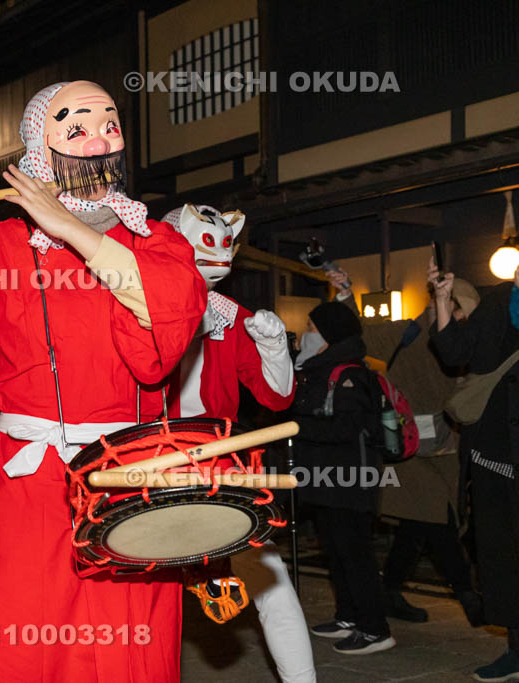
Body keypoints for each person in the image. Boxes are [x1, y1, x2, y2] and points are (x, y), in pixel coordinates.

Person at [0, 81, 206, 681]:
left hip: (130, 478)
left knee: (129, 646)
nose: (98, 141)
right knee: (16, 637)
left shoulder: (156, 240)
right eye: (76, 128)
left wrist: (71, 228)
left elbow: (164, 327)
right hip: (30, 481)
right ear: (40, 148)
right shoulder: (5, 247)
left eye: (110, 125)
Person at [142, 205, 315, 683]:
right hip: (148, 462)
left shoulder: (232, 316)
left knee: (269, 579)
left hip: (219, 462)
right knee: (145, 589)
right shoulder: (137, 302)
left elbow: (277, 397)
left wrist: (274, 348)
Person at [328, 263, 483, 627]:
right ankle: (468, 595)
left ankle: (390, 590)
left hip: (446, 448)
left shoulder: (466, 342)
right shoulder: (409, 333)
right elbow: (359, 332)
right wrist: (346, 293)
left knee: (419, 522)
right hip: (406, 446)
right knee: (438, 518)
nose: (463, 319)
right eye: (461, 309)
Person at [429, 263, 519, 681]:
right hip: (495, 453)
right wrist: (442, 299)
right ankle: (516, 651)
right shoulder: (499, 301)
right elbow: (454, 352)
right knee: (503, 555)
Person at [292, 302, 394, 654]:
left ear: (328, 335)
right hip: (325, 478)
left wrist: (297, 426)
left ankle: (375, 629)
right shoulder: (321, 370)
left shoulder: (350, 374)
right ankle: (348, 616)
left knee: (355, 553)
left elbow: (346, 428)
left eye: (311, 327)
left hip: (348, 480)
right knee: (336, 551)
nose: (305, 333)